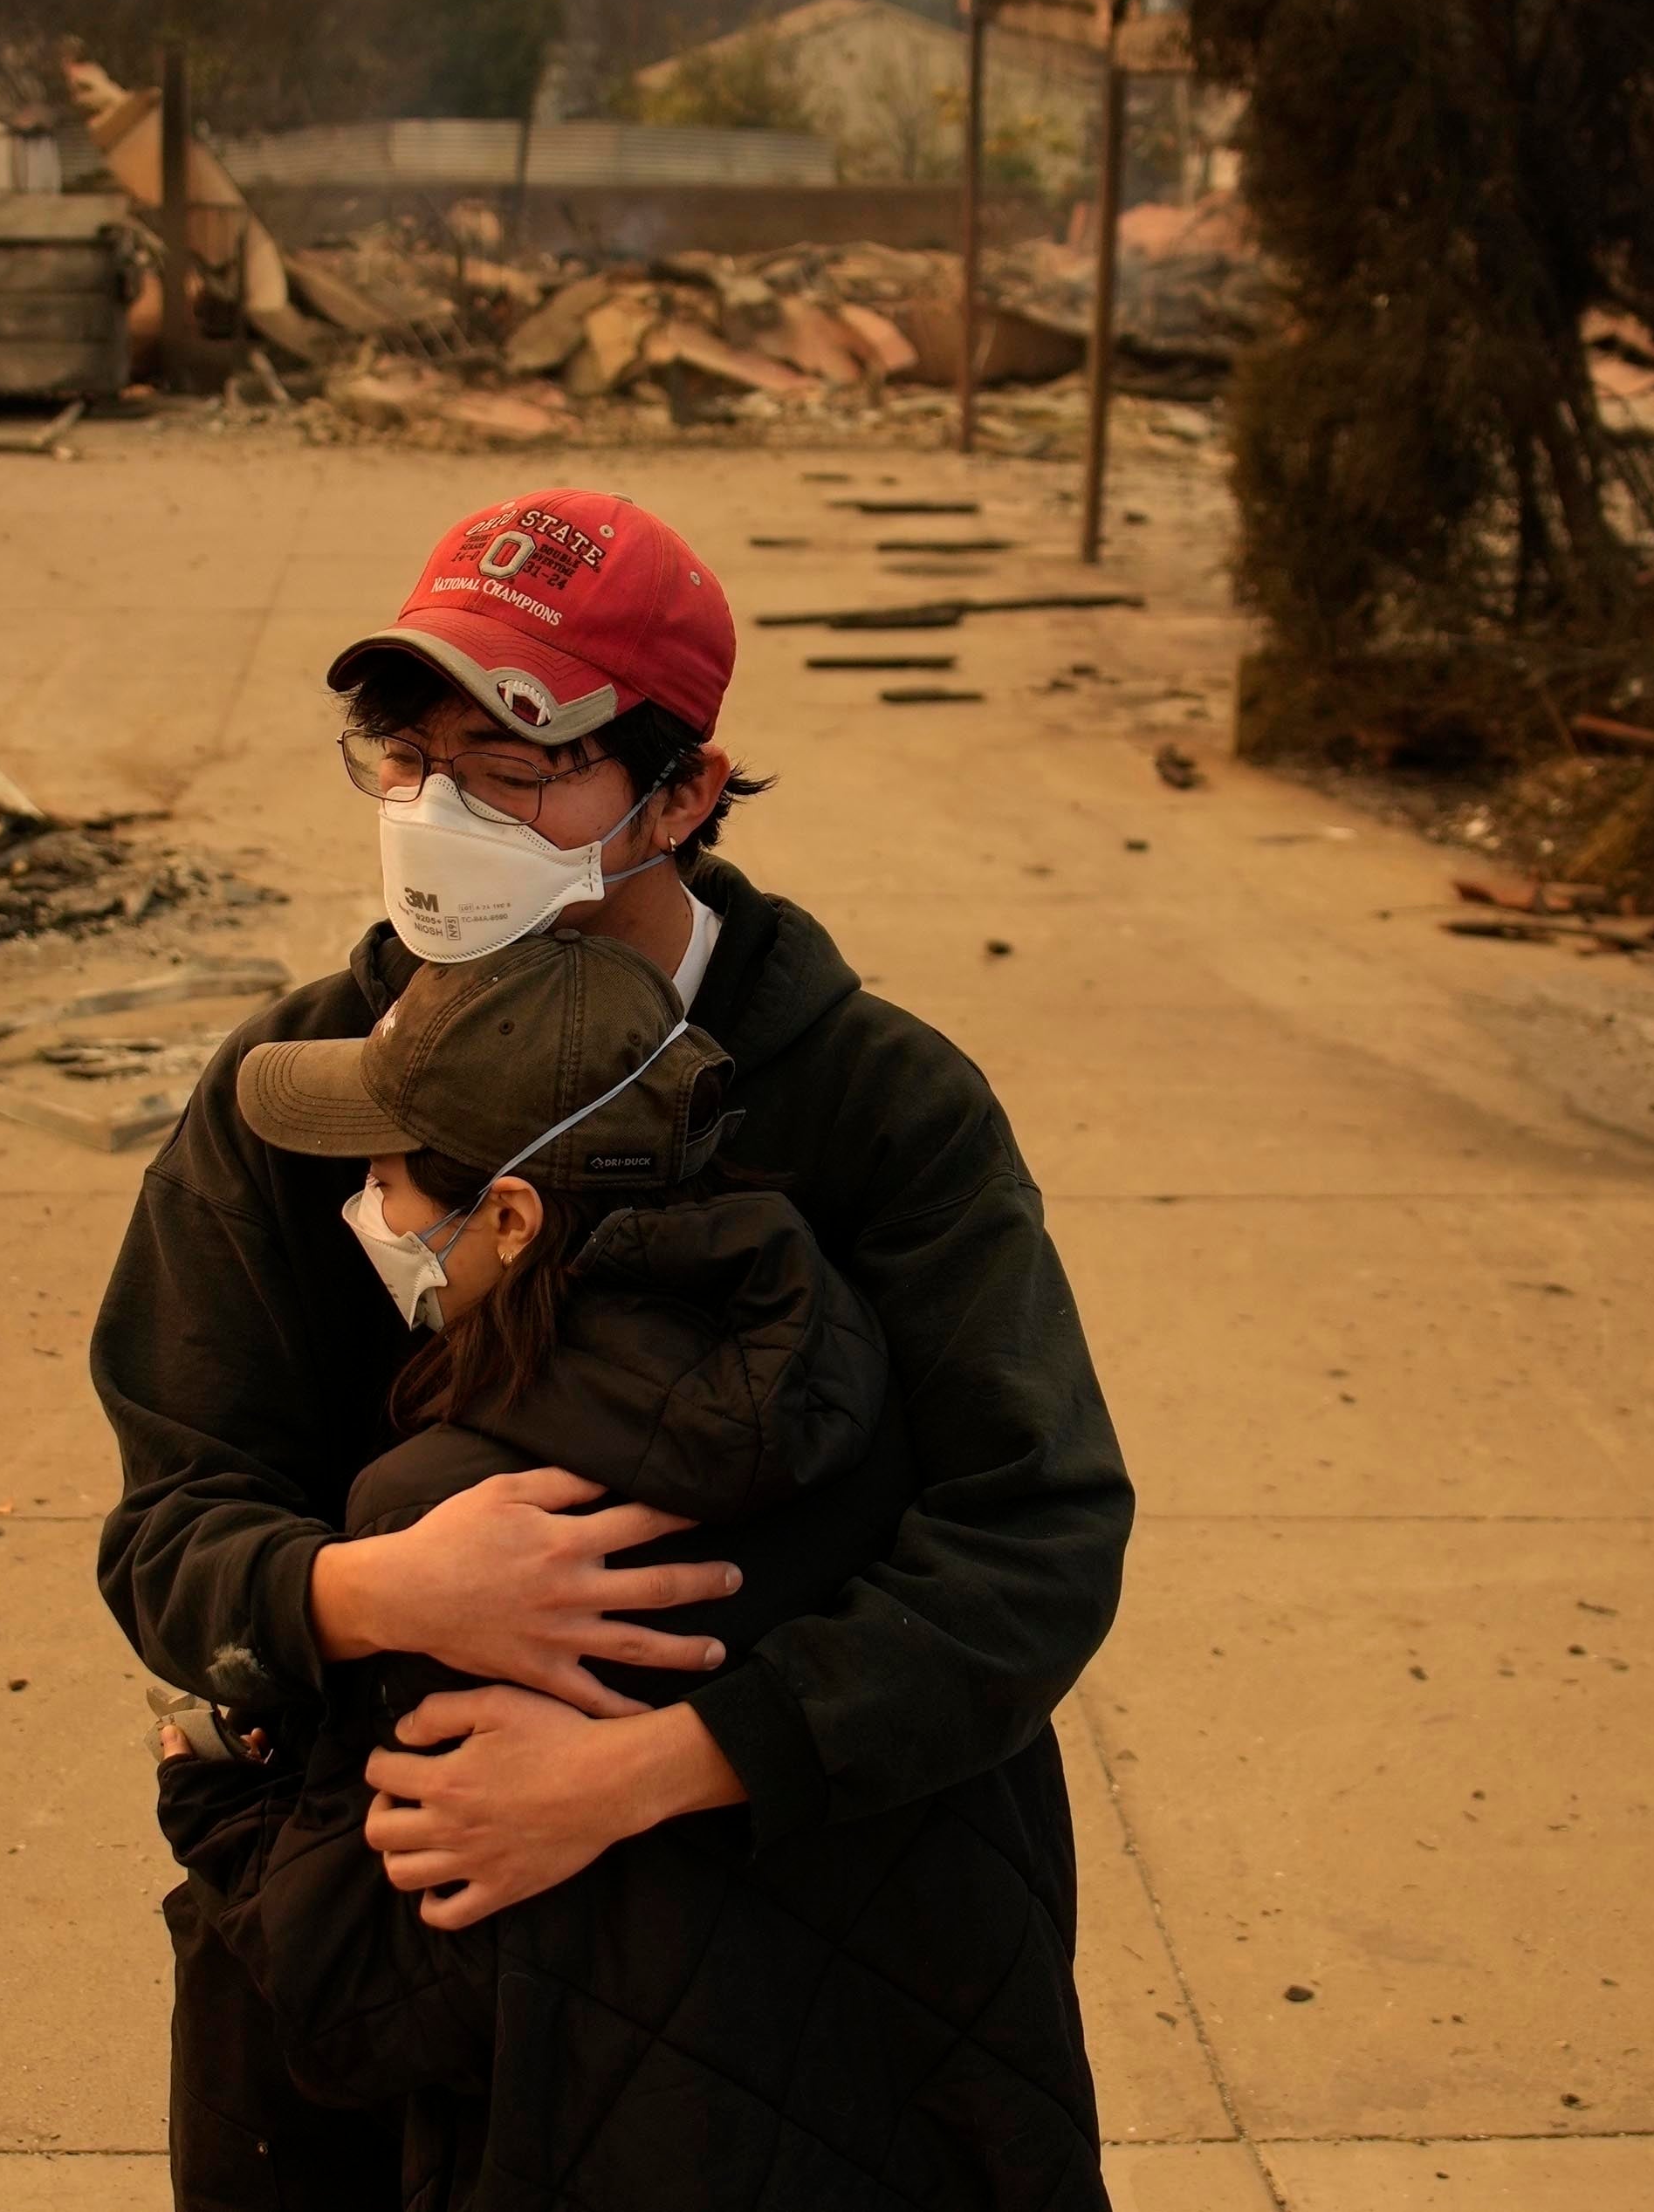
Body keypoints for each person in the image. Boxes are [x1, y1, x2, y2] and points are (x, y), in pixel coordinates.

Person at [89, 489, 1136, 2209]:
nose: (435, 814)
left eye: (513, 764)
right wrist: (385, 1592)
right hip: (406, 1969)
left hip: (831, 1966)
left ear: (684, 790)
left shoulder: (874, 1103)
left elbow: (1034, 1538)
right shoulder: (288, 1095)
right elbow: (175, 1521)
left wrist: (637, 1774)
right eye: (406, 757)